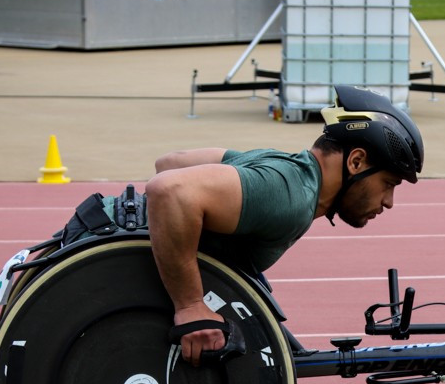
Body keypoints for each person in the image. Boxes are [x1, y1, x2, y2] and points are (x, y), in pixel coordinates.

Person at [145, 85, 424, 365]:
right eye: (388, 184)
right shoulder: (290, 195)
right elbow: (169, 189)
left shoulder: (282, 167)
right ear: (356, 161)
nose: (389, 202)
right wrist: (191, 305)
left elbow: (169, 162)